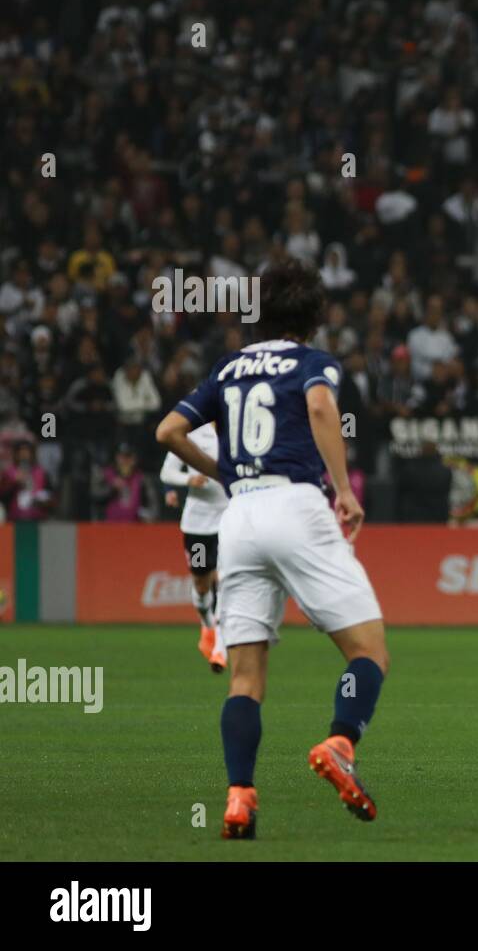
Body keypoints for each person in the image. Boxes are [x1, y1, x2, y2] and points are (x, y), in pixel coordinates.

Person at [155, 261, 388, 839]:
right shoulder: (314, 363)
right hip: (296, 505)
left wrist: (226, 473)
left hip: (238, 520)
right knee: (368, 652)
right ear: (315, 315)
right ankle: (340, 741)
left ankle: (239, 799)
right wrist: (344, 490)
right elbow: (318, 408)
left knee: (245, 678)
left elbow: (167, 432)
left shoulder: (228, 367)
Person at [160, 421, 229, 672]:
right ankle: (207, 625)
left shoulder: (236, 427)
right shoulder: (190, 434)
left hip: (229, 518)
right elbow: (167, 473)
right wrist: (190, 479)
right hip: (198, 524)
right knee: (201, 584)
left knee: (225, 580)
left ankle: (221, 648)